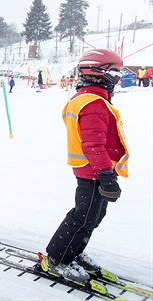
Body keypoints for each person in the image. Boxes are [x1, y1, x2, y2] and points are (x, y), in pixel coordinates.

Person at [41, 49, 129, 284]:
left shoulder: (92, 99)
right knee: (83, 216)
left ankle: (74, 251)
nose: (118, 77)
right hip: (93, 171)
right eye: (115, 72)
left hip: (96, 169)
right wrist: (106, 176)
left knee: (93, 216)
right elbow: (93, 145)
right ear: (101, 73)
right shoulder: (93, 104)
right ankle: (57, 258)